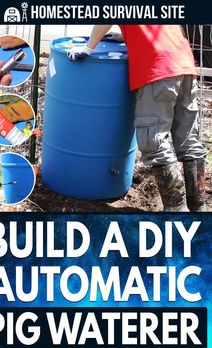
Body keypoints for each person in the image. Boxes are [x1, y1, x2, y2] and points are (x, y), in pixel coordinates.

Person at [67, 25, 206, 212]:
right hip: (185, 64)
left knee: (153, 141)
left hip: (158, 69)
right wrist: (126, 36)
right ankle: (200, 209)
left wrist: (89, 47)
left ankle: (176, 210)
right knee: (189, 140)